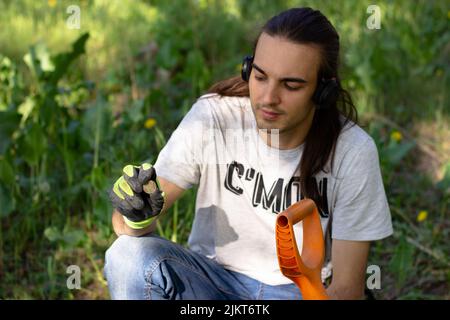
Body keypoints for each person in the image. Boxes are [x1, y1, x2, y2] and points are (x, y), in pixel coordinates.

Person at [104, 7, 393, 300]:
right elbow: (124, 230)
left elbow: (346, 288)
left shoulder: (353, 151)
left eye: (291, 85)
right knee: (127, 256)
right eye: (260, 76)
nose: (269, 98)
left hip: (299, 292)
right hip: (213, 284)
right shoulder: (214, 117)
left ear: (323, 93)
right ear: (247, 70)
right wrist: (136, 216)